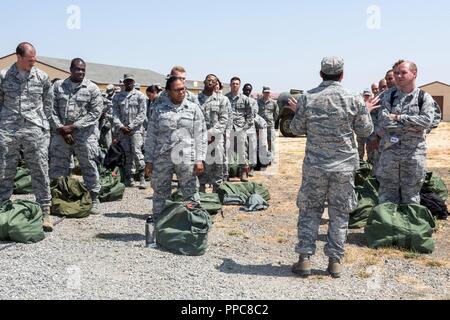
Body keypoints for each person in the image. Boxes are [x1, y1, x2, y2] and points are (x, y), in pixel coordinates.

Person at [290, 56, 379, 278]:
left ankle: (304, 259)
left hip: (315, 166)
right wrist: (364, 111)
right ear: (342, 74)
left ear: (321, 74)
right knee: (339, 214)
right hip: (343, 167)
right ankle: (335, 262)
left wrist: (299, 113)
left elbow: (296, 128)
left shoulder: (308, 97)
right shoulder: (354, 99)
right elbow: (365, 131)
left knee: (310, 210)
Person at [0, 42, 54, 231]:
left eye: (35, 59)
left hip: (34, 128)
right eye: (30, 60)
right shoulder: (4, 76)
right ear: (19, 57)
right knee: (5, 169)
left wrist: (45, 127)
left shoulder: (42, 77)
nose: (33, 63)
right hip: (9, 129)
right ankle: (2, 208)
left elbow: (48, 104)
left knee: (40, 168)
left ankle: (45, 211)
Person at [144, 76, 207, 222]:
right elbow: (151, 136)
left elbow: (201, 135)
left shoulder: (193, 109)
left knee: (190, 193)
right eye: (177, 90)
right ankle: (160, 226)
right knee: (160, 193)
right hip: (162, 158)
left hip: (186, 158)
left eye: (183, 88)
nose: (182, 92)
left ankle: (195, 224)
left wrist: (200, 159)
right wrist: (148, 160)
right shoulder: (159, 110)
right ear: (168, 91)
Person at [49, 58, 103, 214]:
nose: (80, 72)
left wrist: (73, 127)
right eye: (77, 69)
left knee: (89, 166)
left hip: (85, 135)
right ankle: (58, 196)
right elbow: (50, 109)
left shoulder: (92, 88)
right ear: (71, 69)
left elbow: (95, 113)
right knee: (58, 167)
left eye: (83, 69)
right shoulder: (58, 87)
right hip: (61, 135)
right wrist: (61, 128)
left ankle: (94, 197)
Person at [377, 60, 435, 205]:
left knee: (411, 197)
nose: (399, 76)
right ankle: (387, 226)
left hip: (413, 155)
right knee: (387, 196)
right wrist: (412, 126)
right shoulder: (388, 96)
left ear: (414, 74)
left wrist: (398, 118)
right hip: (390, 154)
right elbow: (384, 122)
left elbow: (426, 122)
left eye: (403, 72)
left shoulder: (424, 98)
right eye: (396, 73)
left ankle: (409, 226)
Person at [112, 73, 148, 189]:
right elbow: (115, 114)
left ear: (134, 82)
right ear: (124, 82)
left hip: (136, 131)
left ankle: (142, 178)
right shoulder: (117, 97)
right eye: (127, 81)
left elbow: (142, 114)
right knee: (126, 154)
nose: (129, 83)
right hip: (122, 131)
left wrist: (131, 126)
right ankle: (129, 177)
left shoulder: (140, 96)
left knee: (137, 153)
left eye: (131, 81)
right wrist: (121, 126)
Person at [197, 74, 229, 192]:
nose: (210, 83)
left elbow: (224, 119)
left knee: (218, 163)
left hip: (216, 138)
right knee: (201, 163)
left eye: (213, 81)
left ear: (216, 84)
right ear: (204, 82)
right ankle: (201, 191)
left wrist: (211, 133)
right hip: (200, 137)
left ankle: (216, 192)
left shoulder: (222, 100)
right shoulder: (196, 99)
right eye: (208, 80)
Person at [225, 77, 254, 182]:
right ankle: (227, 173)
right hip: (228, 129)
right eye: (233, 83)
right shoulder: (225, 98)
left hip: (240, 128)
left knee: (242, 152)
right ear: (230, 84)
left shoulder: (245, 99)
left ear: (239, 85)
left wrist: (245, 128)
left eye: (237, 84)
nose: (235, 85)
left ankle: (243, 173)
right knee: (228, 151)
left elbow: (250, 115)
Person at [258, 86, 279, 161]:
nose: (266, 94)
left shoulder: (273, 102)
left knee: (271, 142)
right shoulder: (258, 102)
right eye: (265, 92)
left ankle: (271, 157)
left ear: (269, 93)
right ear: (263, 93)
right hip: (261, 127)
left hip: (270, 126)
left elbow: (276, 114)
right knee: (262, 142)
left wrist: (272, 121)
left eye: (268, 92)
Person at [242, 83, 259, 176]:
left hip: (251, 127)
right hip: (240, 127)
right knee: (241, 149)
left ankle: (251, 167)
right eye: (246, 89)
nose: (247, 91)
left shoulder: (253, 101)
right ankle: (242, 168)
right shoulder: (239, 99)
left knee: (252, 148)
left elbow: (255, 112)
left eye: (249, 90)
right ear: (243, 89)